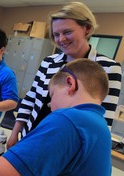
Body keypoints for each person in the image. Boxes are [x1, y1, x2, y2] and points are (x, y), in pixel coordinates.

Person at [7, 2, 122, 149]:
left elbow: (103, 121)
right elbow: (31, 99)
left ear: (86, 28)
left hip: (65, 148)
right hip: (31, 137)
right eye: (56, 34)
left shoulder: (107, 68)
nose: (61, 39)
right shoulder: (49, 62)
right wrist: (14, 133)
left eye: (67, 32)